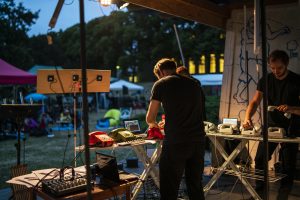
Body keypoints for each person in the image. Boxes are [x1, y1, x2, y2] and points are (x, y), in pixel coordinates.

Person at [243, 50, 300, 199]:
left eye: (279, 68)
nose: (276, 71)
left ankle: (282, 197)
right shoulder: (266, 80)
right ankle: (260, 194)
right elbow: (255, 101)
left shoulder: (297, 80)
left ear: (286, 65)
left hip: (291, 128)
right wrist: (247, 117)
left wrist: (292, 108)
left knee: (288, 166)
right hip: (270, 126)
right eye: (272, 68)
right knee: (260, 160)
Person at [146, 58, 206, 200]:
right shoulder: (195, 84)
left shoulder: (161, 84)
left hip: (176, 142)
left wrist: (155, 125)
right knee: (195, 186)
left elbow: (149, 118)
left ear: (160, 71)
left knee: (169, 188)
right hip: (198, 141)